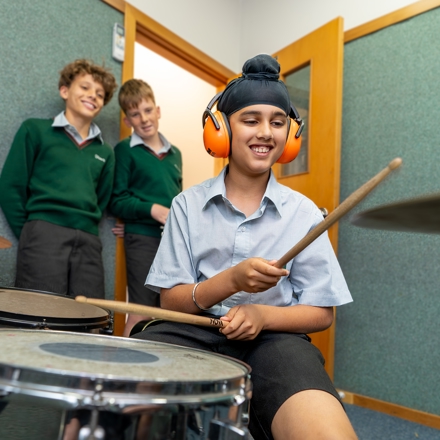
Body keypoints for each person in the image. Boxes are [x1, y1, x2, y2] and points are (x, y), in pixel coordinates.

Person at [133, 54, 358, 440]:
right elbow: (170, 303)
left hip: (275, 340)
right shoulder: (187, 205)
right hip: (192, 329)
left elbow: (322, 313)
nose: (265, 133)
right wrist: (232, 279)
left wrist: (263, 316)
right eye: (250, 120)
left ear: (291, 135)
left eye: (277, 122)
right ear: (221, 130)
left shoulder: (304, 213)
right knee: (126, 407)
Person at [0, 59, 117, 298]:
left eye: (100, 94)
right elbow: (10, 186)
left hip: (89, 241)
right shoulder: (35, 130)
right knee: (40, 311)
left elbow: (102, 198)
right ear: (64, 90)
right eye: (85, 87)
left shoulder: (105, 152)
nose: (92, 96)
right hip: (43, 233)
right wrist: (32, 231)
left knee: (90, 315)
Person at [109, 79, 182, 337]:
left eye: (148, 110)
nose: (144, 119)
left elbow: (178, 200)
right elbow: (117, 199)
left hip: (172, 241)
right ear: (128, 121)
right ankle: (126, 374)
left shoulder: (176, 155)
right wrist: (153, 211)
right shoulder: (124, 151)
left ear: (158, 111)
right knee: (140, 310)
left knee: (169, 310)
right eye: (135, 114)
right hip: (142, 239)